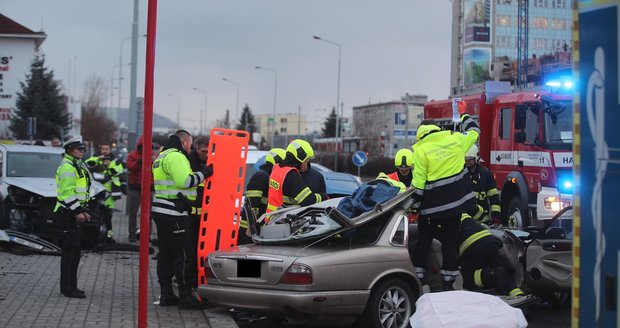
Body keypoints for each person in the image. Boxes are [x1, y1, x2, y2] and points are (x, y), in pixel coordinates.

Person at [409, 104, 480, 291]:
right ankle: (448, 283)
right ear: (437, 129)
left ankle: (421, 281)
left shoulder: (421, 151)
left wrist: (413, 206)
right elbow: (475, 131)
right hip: (455, 207)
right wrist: (464, 114)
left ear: (420, 135)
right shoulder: (456, 139)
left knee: (424, 241)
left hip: (431, 210)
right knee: (450, 243)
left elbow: (418, 185)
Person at [151, 130, 212, 309]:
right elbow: (185, 181)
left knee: (166, 254)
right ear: (185, 142)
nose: (189, 148)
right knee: (184, 255)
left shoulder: (163, 156)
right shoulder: (177, 157)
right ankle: (185, 297)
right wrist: (205, 173)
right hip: (174, 213)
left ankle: (166, 294)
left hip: (162, 211)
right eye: (190, 144)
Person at [54, 136, 91, 298]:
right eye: (79, 149)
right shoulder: (68, 167)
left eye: (83, 149)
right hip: (67, 214)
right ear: (70, 150)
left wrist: (83, 210)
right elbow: (67, 193)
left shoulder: (76, 165)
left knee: (73, 251)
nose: (82, 151)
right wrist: (78, 212)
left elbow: (80, 191)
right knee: (71, 251)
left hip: (71, 212)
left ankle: (69, 286)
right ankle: (69, 288)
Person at [458, 213, 526, 298]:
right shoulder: (461, 212)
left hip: (472, 246)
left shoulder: (441, 219)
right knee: (499, 268)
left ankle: (492, 275)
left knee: (464, 278)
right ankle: (516, 293)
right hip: (489, 239)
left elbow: (447, 249)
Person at [265, 139, 328, 217]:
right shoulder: (291, 175)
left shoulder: (277, 168)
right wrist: (324, 196)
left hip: (271, 217)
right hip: (281, 221)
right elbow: (308, 200)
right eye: (306, 160)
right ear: (299, 158)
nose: (306, 163)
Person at [241, 148, 286, 243]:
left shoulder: (270, 177)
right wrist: (251, 228)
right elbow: (252, 204)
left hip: (260, 227)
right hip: (248, 229)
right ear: (277, 161)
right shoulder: (261, 176)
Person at [85, 142, 123, 242]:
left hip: (109, 194)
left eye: (106, 149)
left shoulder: (115, 161)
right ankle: (96, 235)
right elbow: (88, 164)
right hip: (96, 193)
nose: (104, 151)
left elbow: (118, 171)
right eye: (103, 149)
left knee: (108, 216)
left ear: (110, 150)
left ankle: (109, 235)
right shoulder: (95, 158)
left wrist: (109, 166)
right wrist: (98, 160)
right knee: (95, 216)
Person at [187, 136, 210, 287]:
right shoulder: (189, 161)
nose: (207, 154)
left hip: (207, 215)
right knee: (191, 250)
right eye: (204, 151)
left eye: (209, 151)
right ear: (196, 149)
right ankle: (191, 280)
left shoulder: (212, 160)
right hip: (191, 214)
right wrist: (204, 172)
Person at [126, 136, 157, 242]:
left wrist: (154, 161)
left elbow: (157, 169)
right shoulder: (132, 155)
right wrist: (141, 161)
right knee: (133, 212)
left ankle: (147, 234)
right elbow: (131, 167)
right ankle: (132, 234)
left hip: (149, 188)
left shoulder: (153, 156)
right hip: (135, 188)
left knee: (149, 213)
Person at [465, 145, 502, 225]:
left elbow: (494, 198)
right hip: (465, 219)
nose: (467, 162)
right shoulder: (462, 174)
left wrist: (496, 217)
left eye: (470, 159)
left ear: (476, 158)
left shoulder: (485, 173)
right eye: (466, 160)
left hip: (483, 221)